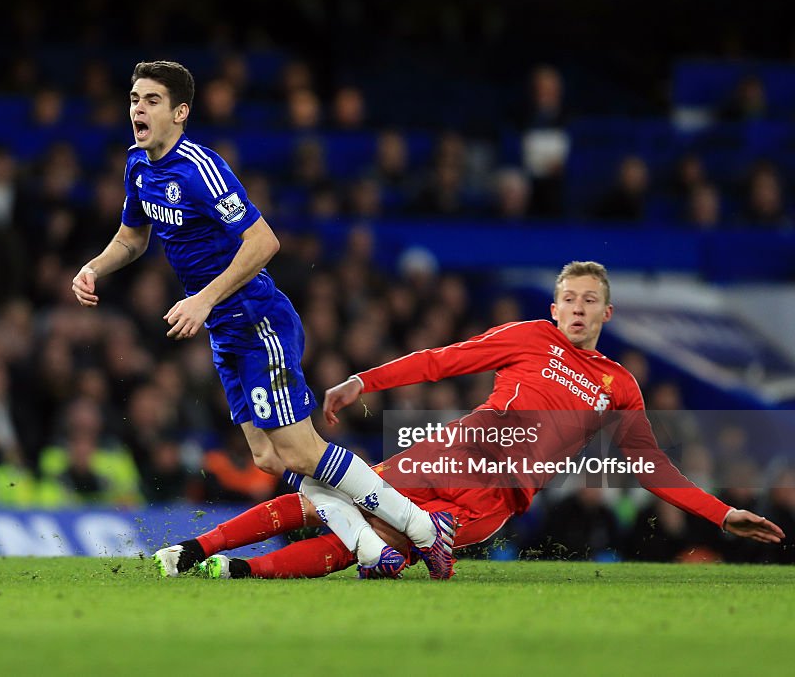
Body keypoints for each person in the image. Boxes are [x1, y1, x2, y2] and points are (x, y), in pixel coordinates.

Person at [70, 60, 454, 579]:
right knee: (270, 459)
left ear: (181, 112)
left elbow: (264, 241)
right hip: (224, 329)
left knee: (300, 449)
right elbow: (132, 237)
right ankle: (369, 545)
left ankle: (421, 528)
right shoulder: (138, 165)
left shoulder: (199, 167)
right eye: (135, 98)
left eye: (152, 100)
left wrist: (203, 299)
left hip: (256, 318)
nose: (138, 107)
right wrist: (94, 267)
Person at [172, 261, 784, 578]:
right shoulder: (529, 335)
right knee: (328, 496)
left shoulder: (619, 386)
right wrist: (365, 380)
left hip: (494, 497)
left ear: (607, 311)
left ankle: (239, 572)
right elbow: (443, 361)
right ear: (553, 305)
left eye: (588, 300)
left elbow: (651, 467)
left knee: (378, 545)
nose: (576, 308)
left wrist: (721, 513)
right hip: (454, 449)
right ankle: (195, 547)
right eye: (568, 298)